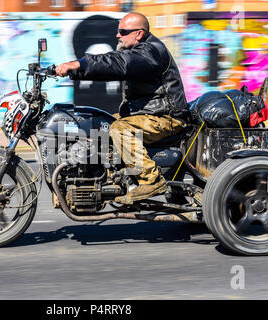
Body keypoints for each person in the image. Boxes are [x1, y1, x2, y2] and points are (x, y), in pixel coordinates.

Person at [56, 12, 187, 205]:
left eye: (123, 32)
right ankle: (105, 177)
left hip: (166, 117)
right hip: (146, 114)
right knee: (96, 123)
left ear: (139, 34)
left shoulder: (151, 51)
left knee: (120, 129)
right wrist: (76, 69)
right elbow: (109, 61)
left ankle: (151, 180)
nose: (118, 35)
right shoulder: (137, 50)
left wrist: (77, 63)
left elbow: (120, 64)